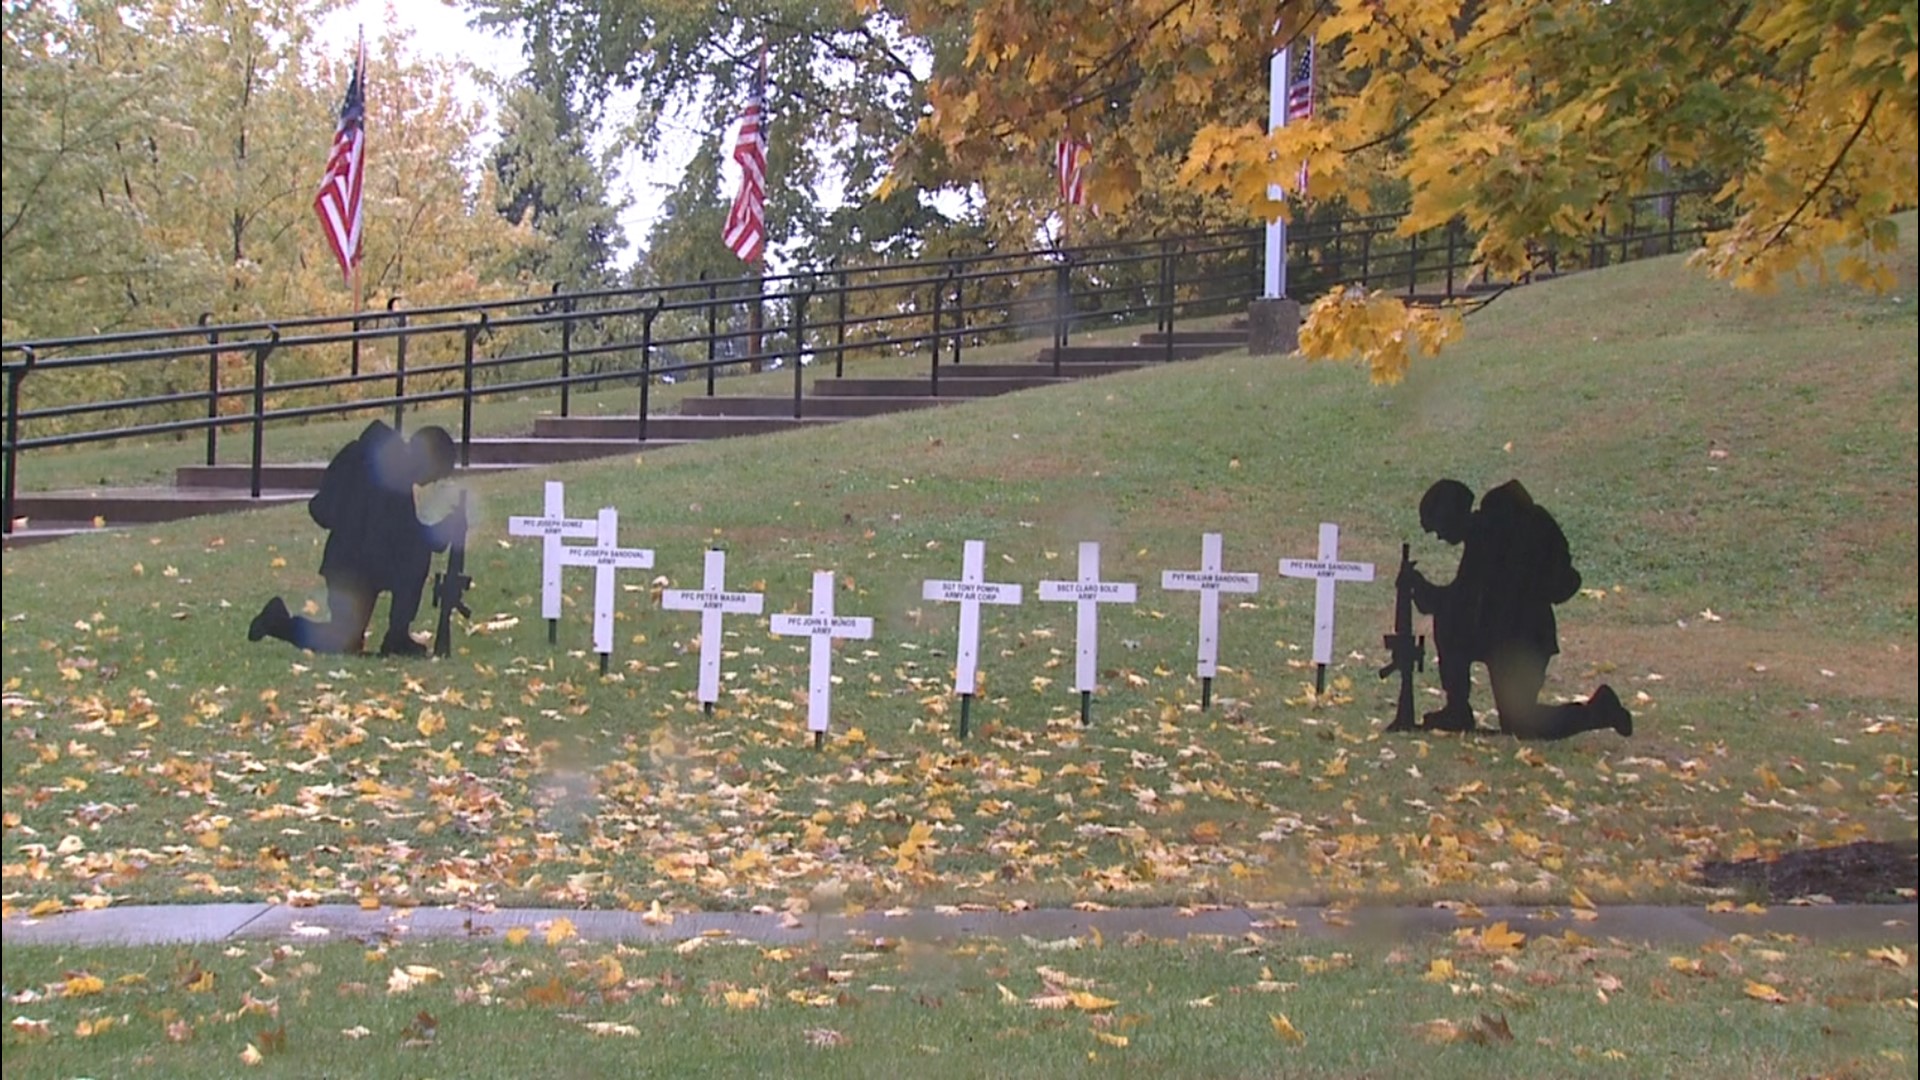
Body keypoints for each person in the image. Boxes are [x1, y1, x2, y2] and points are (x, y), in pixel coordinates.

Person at [1402, 478, 1632, 740]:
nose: (1439, 537)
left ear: (1451, 517)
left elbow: (1459, 599)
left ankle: (1598, 710)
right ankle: (1457, 709)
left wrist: (1419, 587)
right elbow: (1461, 603)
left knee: (1522, 723)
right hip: (1503, 635)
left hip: (1521, 642)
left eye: (1438, 528)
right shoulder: (1488, 531)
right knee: (1450, 622)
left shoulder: (1489, 536)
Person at [248, 421, 463, 657]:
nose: (430, 482)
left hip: (358, 561)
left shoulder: (388, 462)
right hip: (353, 566)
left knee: (344, 640)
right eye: (435, 473)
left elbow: (398, 533)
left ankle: (396, 635)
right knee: (344, 641)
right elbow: (400, 536)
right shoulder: (391, 469)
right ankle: (280, 623)